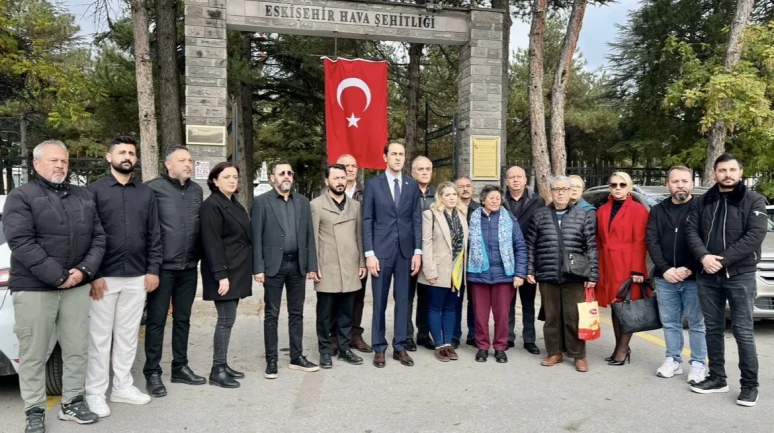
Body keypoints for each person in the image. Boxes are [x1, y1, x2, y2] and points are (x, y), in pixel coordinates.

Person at [4, 140, 105, 432]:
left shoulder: (83, 196)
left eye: (64, 161)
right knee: (34, 353)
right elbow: (21, 242)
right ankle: (34, 410)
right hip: (35, 288)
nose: (60, 165)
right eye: (53, 160)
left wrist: (83, 272)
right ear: (37, 164)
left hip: (76, 286)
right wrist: (59, 277)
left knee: (77, 348)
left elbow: (99, 238)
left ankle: (72, 403)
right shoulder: (21, 196)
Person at [85, 137, 162, 417]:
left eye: (131, 152)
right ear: (109, 157)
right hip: (104, 278)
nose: (127, 156)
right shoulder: (94, 191)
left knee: (128, 336)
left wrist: (153, 269)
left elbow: (154, 233)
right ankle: (95, 393)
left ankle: (122, 387)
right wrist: (94, 274)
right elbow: (87, 234)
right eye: (121, 152)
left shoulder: (146, 193)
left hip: (137, 276)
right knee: (100, 338)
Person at [685, 154, 767, 407]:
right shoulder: (703, 201)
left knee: (742, 331)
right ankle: (717, 378)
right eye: (722, 170)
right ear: (715, 172)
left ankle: (750, 386)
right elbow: (691, 231)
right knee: (712, 328)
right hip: (707, 275)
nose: (727, 174)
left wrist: (722, 260)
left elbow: (755, 235)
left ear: (741, 172)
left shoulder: (754, 200)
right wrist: (704, 257)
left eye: (732, 169)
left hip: (740, 275)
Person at [144, 146, 206, 397]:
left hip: (189, 267)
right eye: (182, 160)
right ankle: (152, 372)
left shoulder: (197, 190)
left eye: (190, 160)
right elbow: (146, 228)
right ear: (168, 164)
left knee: (183, 319)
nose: (188, 164)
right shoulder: (153, 189)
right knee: (156, 321)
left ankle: (180, 367)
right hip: (162, 268)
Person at [252, 161, 319, 379]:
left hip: (297, 265)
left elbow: (309, 236)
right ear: (273, 178)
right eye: (282, 173)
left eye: (289, 172)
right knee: (271, 314)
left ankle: (296, 356)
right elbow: (256, 237)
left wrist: (311, 265)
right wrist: (258, 268)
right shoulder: (262, 202)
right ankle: (271, 360)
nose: (287, 176)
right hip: (274, 266)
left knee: (297, 313)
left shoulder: (302, 202)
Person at [525, 176, 598, 372]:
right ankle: (554, 352)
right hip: (547, 273)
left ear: (570, 191)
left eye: (564, 189)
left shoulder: (582, 215)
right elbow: (531, 245)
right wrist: (530, 269)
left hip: (574, 274)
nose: (560, 193)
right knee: (551, 317)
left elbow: (591, 247)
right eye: (556, 189)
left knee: (573, 317)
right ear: (551, 191)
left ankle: (578, 355)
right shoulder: (539, 215)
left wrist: (592, 274)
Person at [362, 141, 422, 368]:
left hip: (406, 252)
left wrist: (417, 251)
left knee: (403, 300)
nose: (398, 158)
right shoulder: (373, 184)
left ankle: (400, 346)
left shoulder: (411, 185)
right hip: (380, 252)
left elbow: (416, 219)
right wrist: (369, 253)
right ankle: (379, 347)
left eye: (401, 154)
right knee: (379, 300)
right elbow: (367, 219)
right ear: (385, 157)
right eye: (394, 154)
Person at [646, 166, 707, 384]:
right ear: (668, 184)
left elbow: (706, 241)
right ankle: (673, 359)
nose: (680, 185)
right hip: (666, 278)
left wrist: (689, 268)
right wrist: (664, 269)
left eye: (684, 181)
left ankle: (699, 363)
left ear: (692, 184)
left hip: (694, 277)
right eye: (675, 181)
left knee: (697, 323)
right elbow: (651, 241)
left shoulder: (702, 208)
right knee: (670, 322)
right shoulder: (658, 210)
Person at [200, 162, 253, 388]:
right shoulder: (212, 205)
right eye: (226, 177)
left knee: (228, 320)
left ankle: (222, 363)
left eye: (235, 177)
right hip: (223, 271)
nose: (232, 181)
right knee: (225, 320)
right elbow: (211, 242)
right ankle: (217, 369)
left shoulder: (233, 203)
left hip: (237, 270)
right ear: (215, 181)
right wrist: (221, 275)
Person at [310, 164, 366, 369]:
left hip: (350, 266)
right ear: (327, 181)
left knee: (346, 313)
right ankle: (325, 350)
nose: (340, 181)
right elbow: (312, 238)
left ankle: (344, 349)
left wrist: (361, 262)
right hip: (328, 267)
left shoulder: (355, 206)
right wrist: (313, 265)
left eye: (342, 178)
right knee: (325, 314)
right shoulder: (316, 205)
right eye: (336, 178)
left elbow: (359, 236)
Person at [467, 185, 527, 363]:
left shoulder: (510, 220)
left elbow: (520, 246)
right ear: (483, 200)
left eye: (498, 198)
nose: (494, 201)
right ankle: (482, 347)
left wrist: (520, 273)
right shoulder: (473, 218)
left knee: (502, 315)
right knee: (480, 315)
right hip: (479, 274)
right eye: (491, 197)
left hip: (504, 275)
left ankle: (500, 347)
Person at [595, 171, 649, 366]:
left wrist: (637, 270)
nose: (617, 188)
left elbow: (640, 242)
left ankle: (622, 349)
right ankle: (620, 346)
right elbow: (598, 240)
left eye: (622, 184)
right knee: (615, 306)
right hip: (607, 265)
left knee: (625, 307)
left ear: (629, 187)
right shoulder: (602, 210)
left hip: (627, 265)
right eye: (613, 185)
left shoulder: (638, 210)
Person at [418, 182, 469, 362]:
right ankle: (439, 345)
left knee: (450, 308)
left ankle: (448, 343)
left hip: (456, 271)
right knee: (435, 307)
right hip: (438, 270)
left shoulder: (462, 215)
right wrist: (430, 271)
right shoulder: (430, 215)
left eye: (454, 194)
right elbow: (426, 244)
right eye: (447, 195)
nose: (452, 198)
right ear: (440, 197)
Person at [502, 165, 545, 355]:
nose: (516, 180)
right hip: (506, 258)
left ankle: (529, 339)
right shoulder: (500, 200)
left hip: (529, 256)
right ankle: (508, 337)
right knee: (507, 302)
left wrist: (535, 264)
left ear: (526, 180)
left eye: (519, 176)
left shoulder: (538, 201)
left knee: (528, 302)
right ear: (506, 181)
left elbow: (542, 230)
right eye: (512, 177)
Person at [333, 154, 372, 353]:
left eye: (353, 166)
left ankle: (354, 335)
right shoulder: (327, 193)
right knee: (335, 296)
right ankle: (334, 337)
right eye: (345, 166)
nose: (349, 169)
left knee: (357, 297)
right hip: (335, 253)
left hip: (359, 253)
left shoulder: (366, 193)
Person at [408, 156, 436, 351]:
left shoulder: (438, 194)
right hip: (408, 252)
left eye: (428, 169)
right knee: (406, 296)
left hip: (431, 253)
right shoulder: (406, 192)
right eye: (421, 169)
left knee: (426, 296)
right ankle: (406, 334)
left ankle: (424, 334)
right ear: (413, 172)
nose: (425, 172)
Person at [454, 176, 480, 348]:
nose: (465, 189)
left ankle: (474, 335)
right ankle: (454, 335)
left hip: (475, 261)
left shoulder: (479, 209)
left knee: (475, 300)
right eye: (461, 186)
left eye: (468, 186)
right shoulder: (451, 208)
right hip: (457, 261)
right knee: (455, 299)